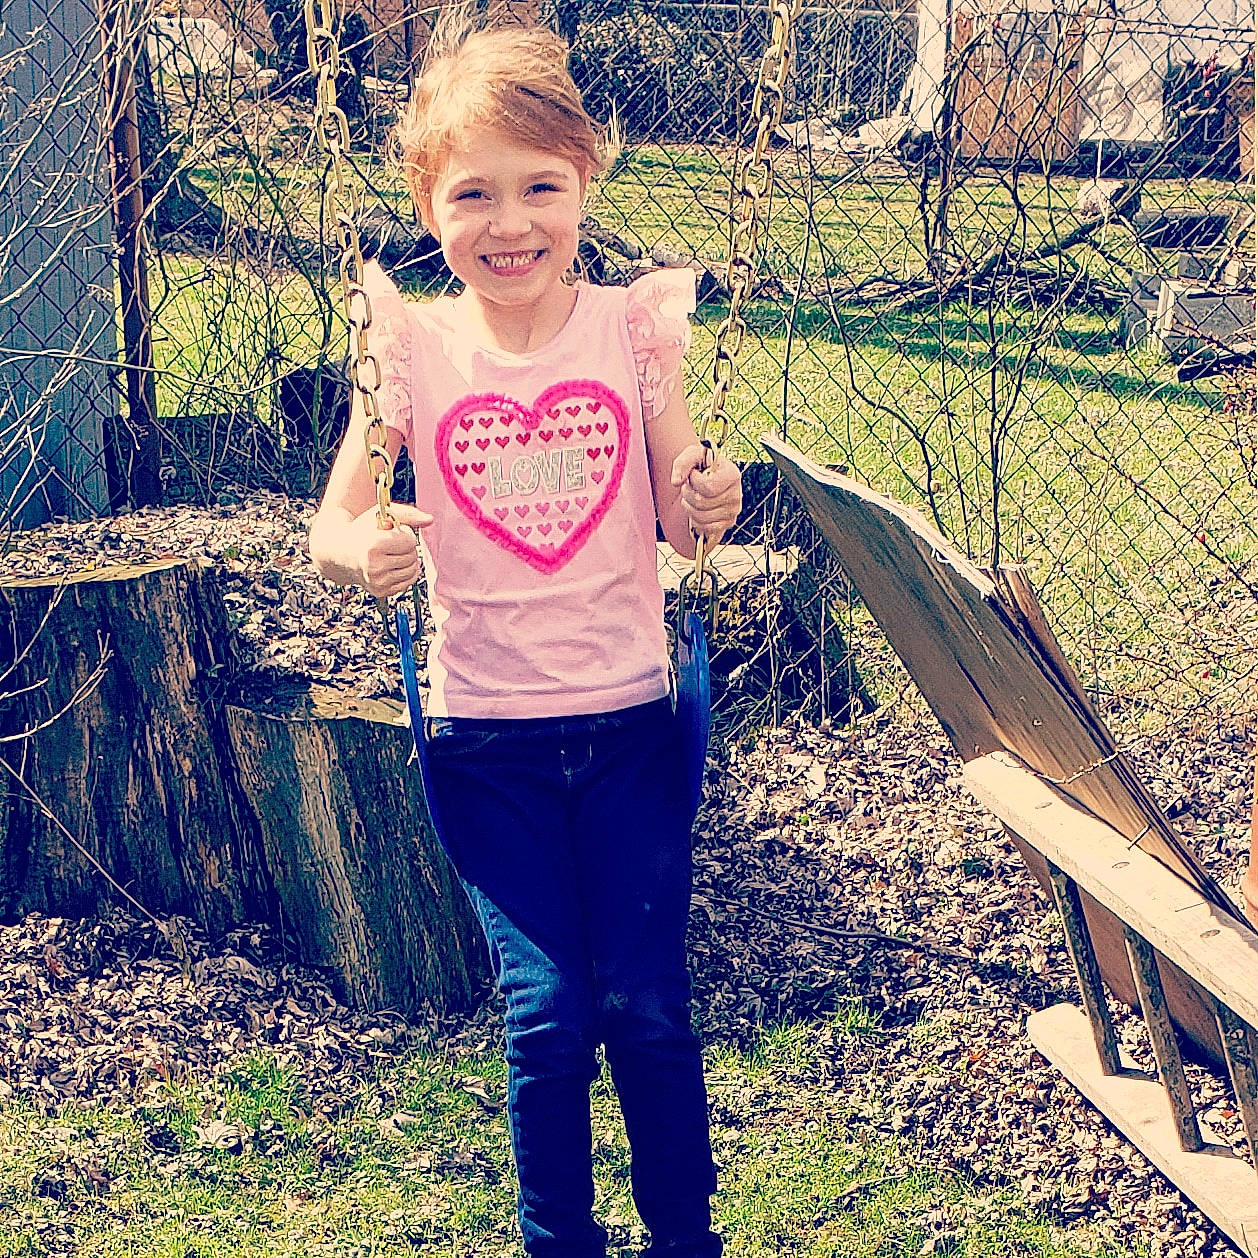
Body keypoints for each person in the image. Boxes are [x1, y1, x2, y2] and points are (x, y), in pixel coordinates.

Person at [307, 21, 741, 1258]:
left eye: (540, 186)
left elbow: (683, 516)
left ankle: (685, 1239)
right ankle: (558, 1241)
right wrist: (364, 551)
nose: (510, 223)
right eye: (473, 194)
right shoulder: (412, 349)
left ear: (585, 182)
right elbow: (333, 525)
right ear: (426, 203)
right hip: (486, 742)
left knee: (645, 1003)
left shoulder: (631, 332)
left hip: (633, 730)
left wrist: (709, 498)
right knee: (546, 1015)